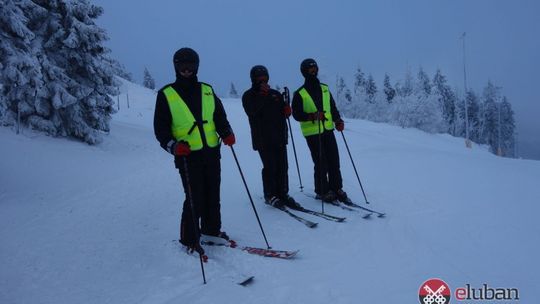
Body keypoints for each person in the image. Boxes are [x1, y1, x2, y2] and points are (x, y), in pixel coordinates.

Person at [153, 47, 236, 254]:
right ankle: (189, 238)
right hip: (188, 155)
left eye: (190, 65)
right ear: (176, 67)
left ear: (196, 66)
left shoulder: (207, 90)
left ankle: (211, 230)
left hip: (211, 152)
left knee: (212, 194)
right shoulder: (167, 94)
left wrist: (226, 132)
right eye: (182, 65)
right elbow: (161, 130)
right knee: (194, 196)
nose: (186, 69)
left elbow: (219, 117)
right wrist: (173, 146)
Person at [242, 65, 302, 210]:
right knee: (270, 167)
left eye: (264, 77)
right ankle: (270, 195)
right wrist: (262, 96)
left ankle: (283, 193)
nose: (262, 80)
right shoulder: (249, 96)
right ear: (253, 79)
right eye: (259, 78)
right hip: (263, 138)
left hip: (280, 136)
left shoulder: (275, 94)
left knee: (283, 167)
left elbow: (283, 112)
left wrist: (287, 110)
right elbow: (252, 112)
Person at [291, 58, 350, 204]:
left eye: (315, 68)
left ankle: (336, 188)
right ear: (304, 72)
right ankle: (322, 191)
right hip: (312, 133)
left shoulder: (324, 88)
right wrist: (312, 116)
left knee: (334, 160)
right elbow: (296, 114)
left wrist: (338, 121)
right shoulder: (300, 93)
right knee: (321, 162)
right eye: (310, 69)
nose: (313, 71)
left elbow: (332, 107)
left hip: (328, 130)